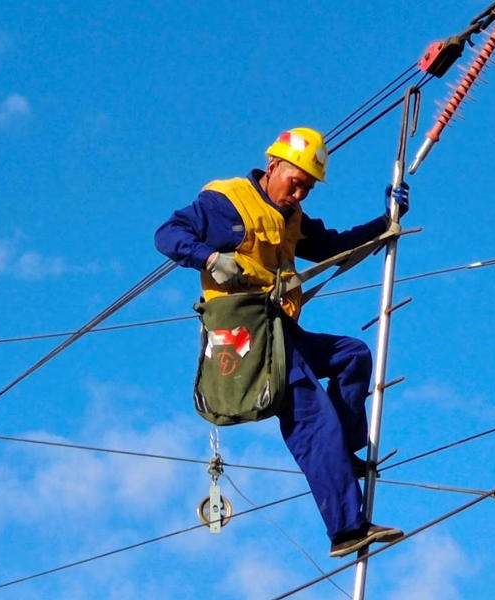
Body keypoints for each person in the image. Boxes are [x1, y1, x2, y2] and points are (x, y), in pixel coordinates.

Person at [154, 127, 408, 557]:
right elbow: (168, 233)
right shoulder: (227, 202)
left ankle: (342, 457)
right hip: (247, 338)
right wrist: (211, 259)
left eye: (308, 188)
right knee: (313, 419)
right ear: (273, 166)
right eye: (296, 182)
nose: (300, 194)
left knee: (353, 356)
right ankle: (346, 529)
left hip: (278, 331)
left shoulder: (290, 217)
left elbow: (334, 245)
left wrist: (386, 222)